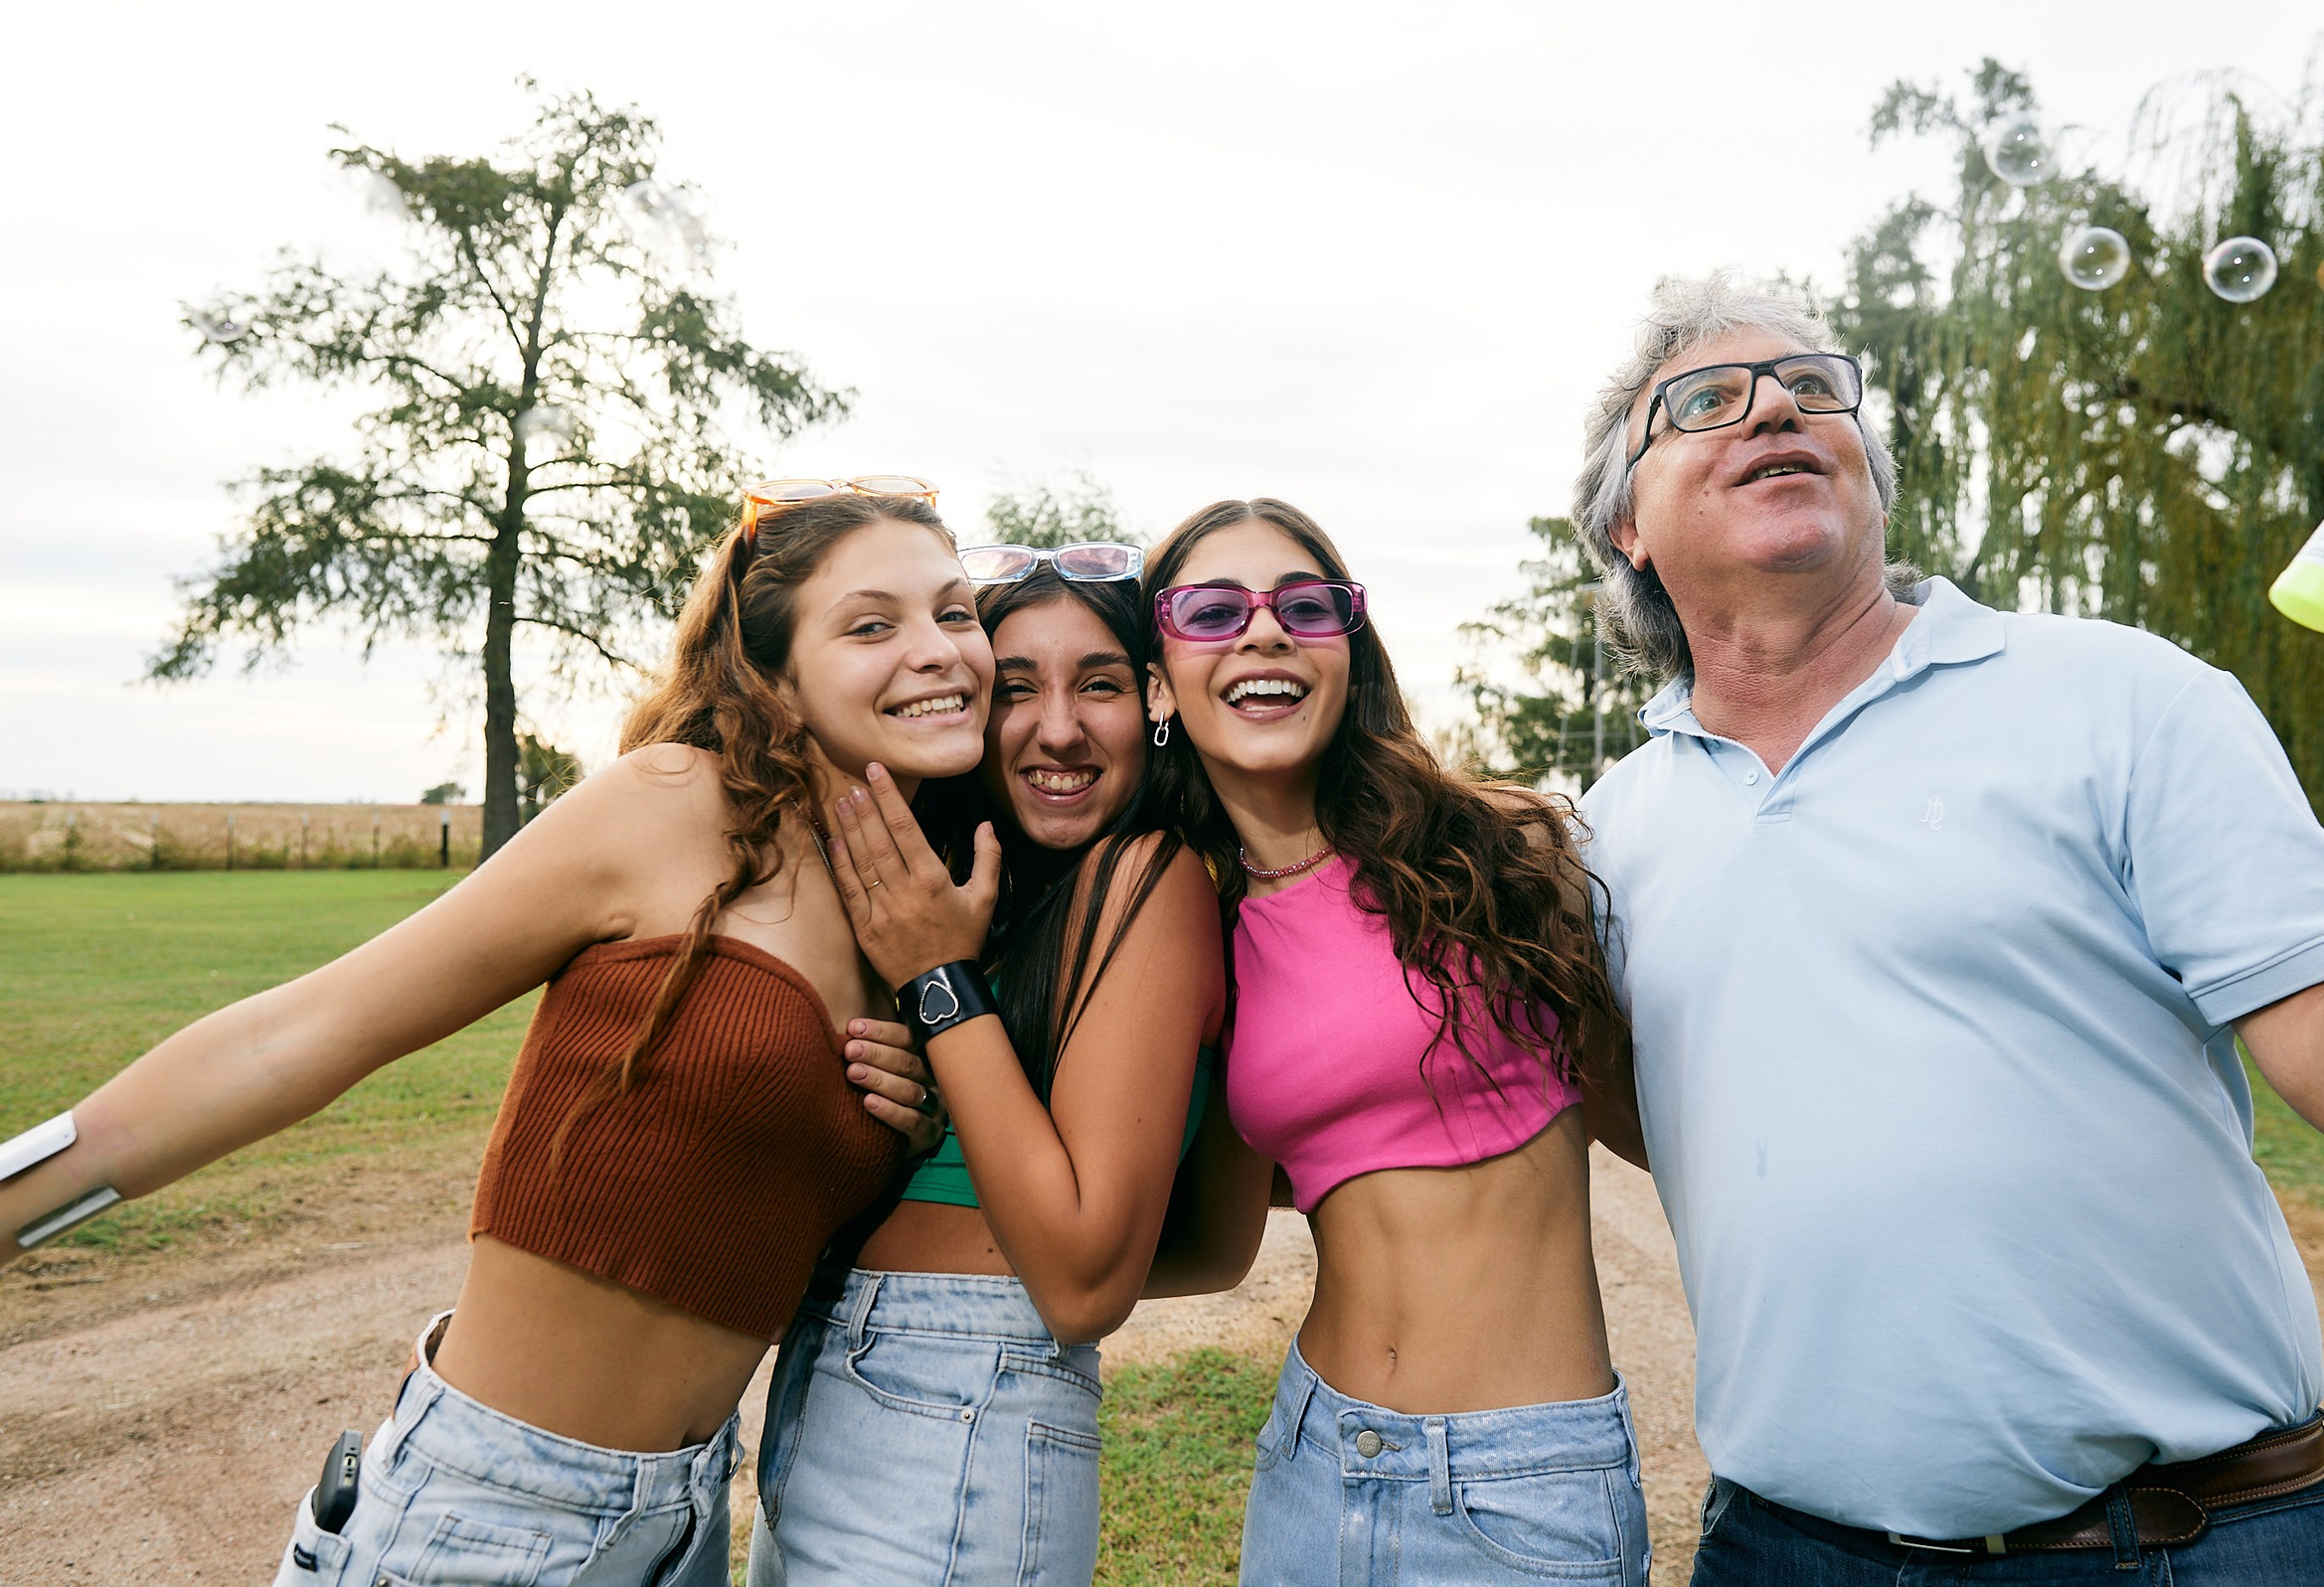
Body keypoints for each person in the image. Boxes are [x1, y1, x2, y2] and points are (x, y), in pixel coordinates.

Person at [1569, 270, 2324, 1584]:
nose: (1776, 408)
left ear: (1866, 470)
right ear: (1626, 523)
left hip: (2170, 1546)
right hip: (1780, 1551)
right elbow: (1656, 1112)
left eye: (1815, 387)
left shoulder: (2122, 695)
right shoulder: (1611, 831)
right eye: (1705, 401)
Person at [0, 481, 966, 1587]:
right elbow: (299, 1035)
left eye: (955, 612)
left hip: (688, 1521)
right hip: (492, 1513)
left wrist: (923, 1090)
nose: (937, 649)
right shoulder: (673, 805)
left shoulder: (901, 902)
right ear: (774, 676)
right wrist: (13, 1203)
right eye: (872, 624)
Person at [1135, 497, 1651, 1587]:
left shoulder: (1497, 854)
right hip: (1316, 1458)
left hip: (1522, 1482)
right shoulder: (1201, 929)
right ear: (1153, 681)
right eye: (1213, 610)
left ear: (1347, 650)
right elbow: (1225, 1235)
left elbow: (1653, 1124)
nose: (1264, 631)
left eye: (1304, 607)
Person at [747, 546, 1243, 1587]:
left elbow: (1076, 1283)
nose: (1055, 727)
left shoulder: (1151, 880)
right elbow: (1202, 1245)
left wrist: (937, 985)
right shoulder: (998, 896)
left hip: (954, 1404)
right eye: (1013, 690)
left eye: (1097, 684)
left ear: (1155, 700)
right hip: (844, 1380)